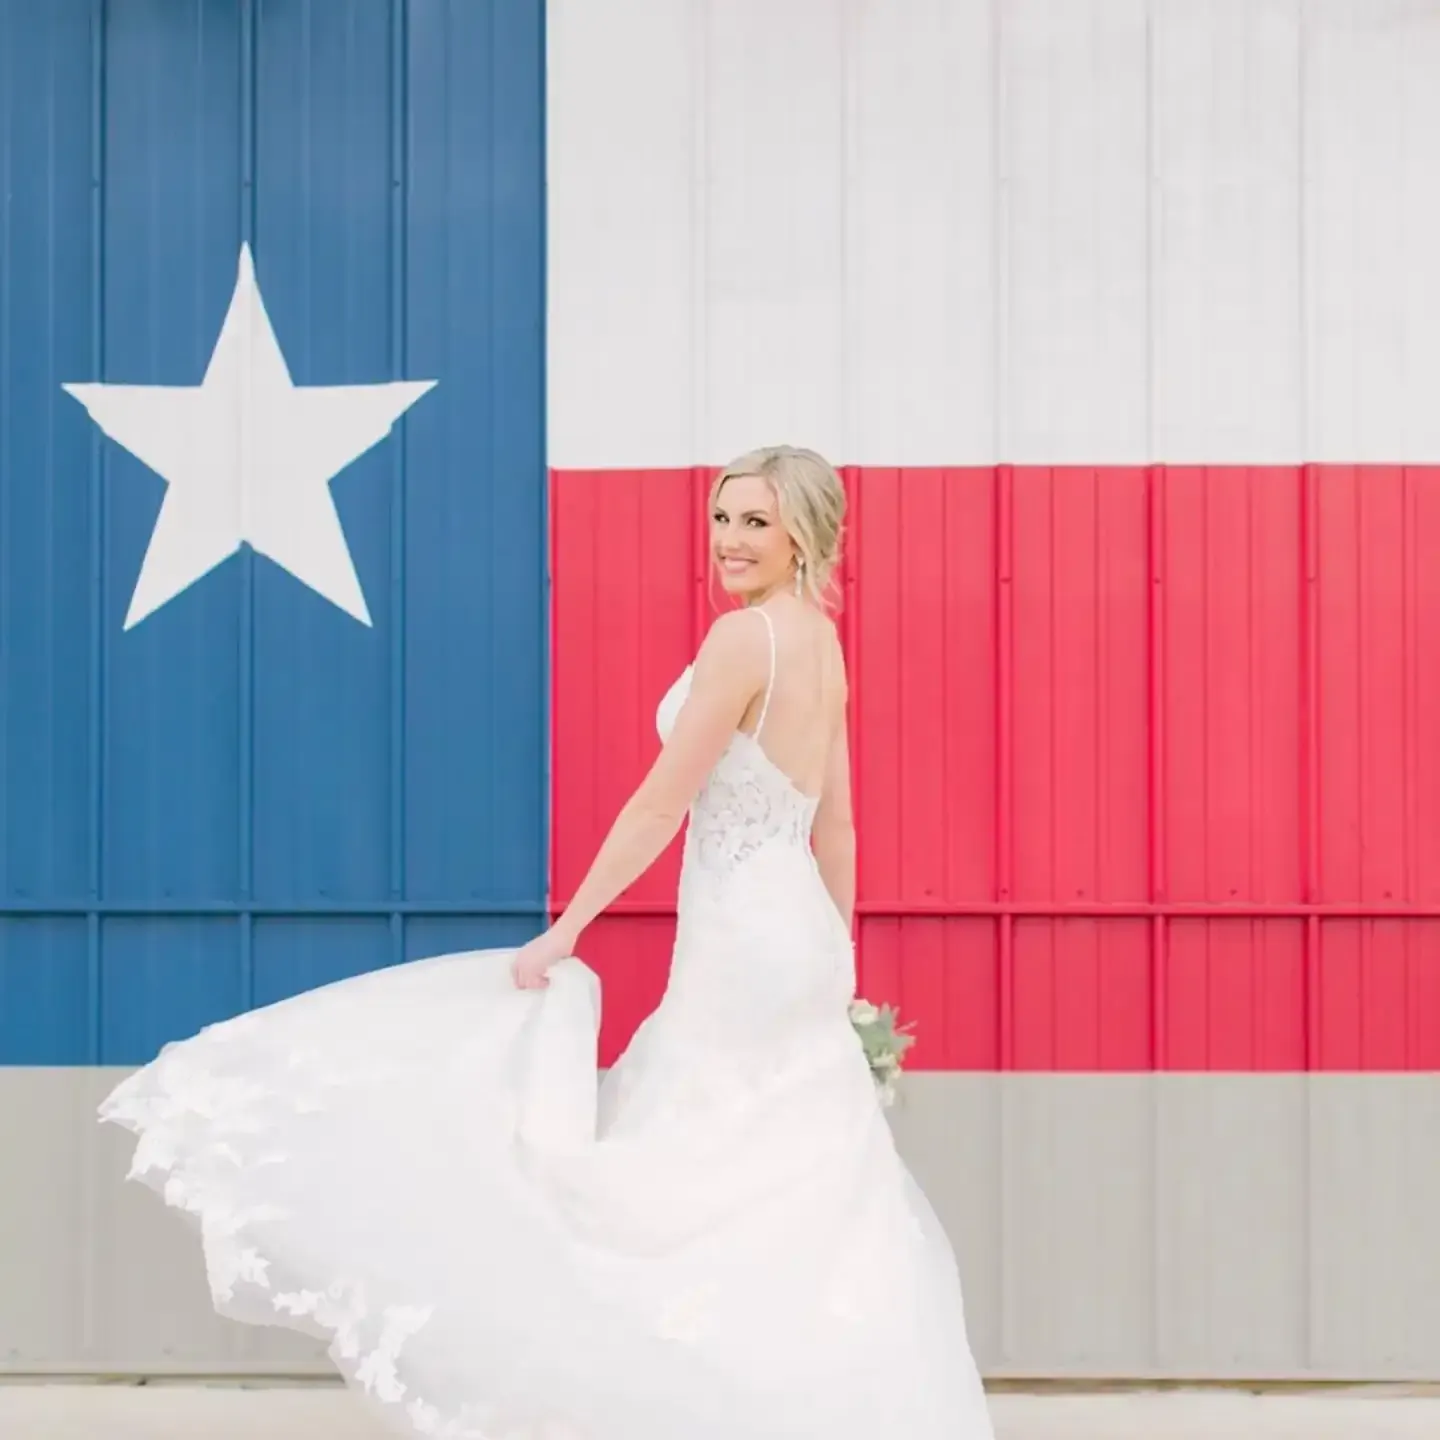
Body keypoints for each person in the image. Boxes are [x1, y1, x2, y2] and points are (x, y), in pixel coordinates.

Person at [98, 446, 995, 1440]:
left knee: (681, 1180)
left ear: (804, 536)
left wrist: (569, 928)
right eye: (722, 518)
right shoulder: (820, 640)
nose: (730, 541)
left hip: (746, 938)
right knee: (782, 1178)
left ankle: (697, 1400)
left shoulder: (746, 643)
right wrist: (843, 961)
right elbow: (836, 827)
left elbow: (662, 806)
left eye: (756, 523)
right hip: (801, 939)